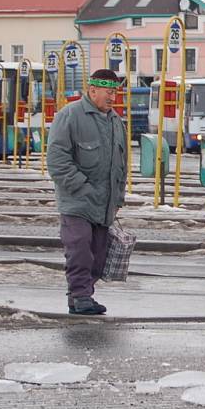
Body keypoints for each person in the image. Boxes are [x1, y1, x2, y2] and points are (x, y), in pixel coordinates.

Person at [47, 69, 127, 315]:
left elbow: (120, 164)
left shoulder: (115, 121)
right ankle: (80, 296)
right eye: (108, 92)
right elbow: (57, 159)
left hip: (104, 203)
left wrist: (118, 198)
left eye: (114, 92)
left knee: (98, 255)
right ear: (92, 91)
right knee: (80, 249)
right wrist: (82, 187)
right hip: (77, 202)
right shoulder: (69, 115)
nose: (112, 97)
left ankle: (83, 295)